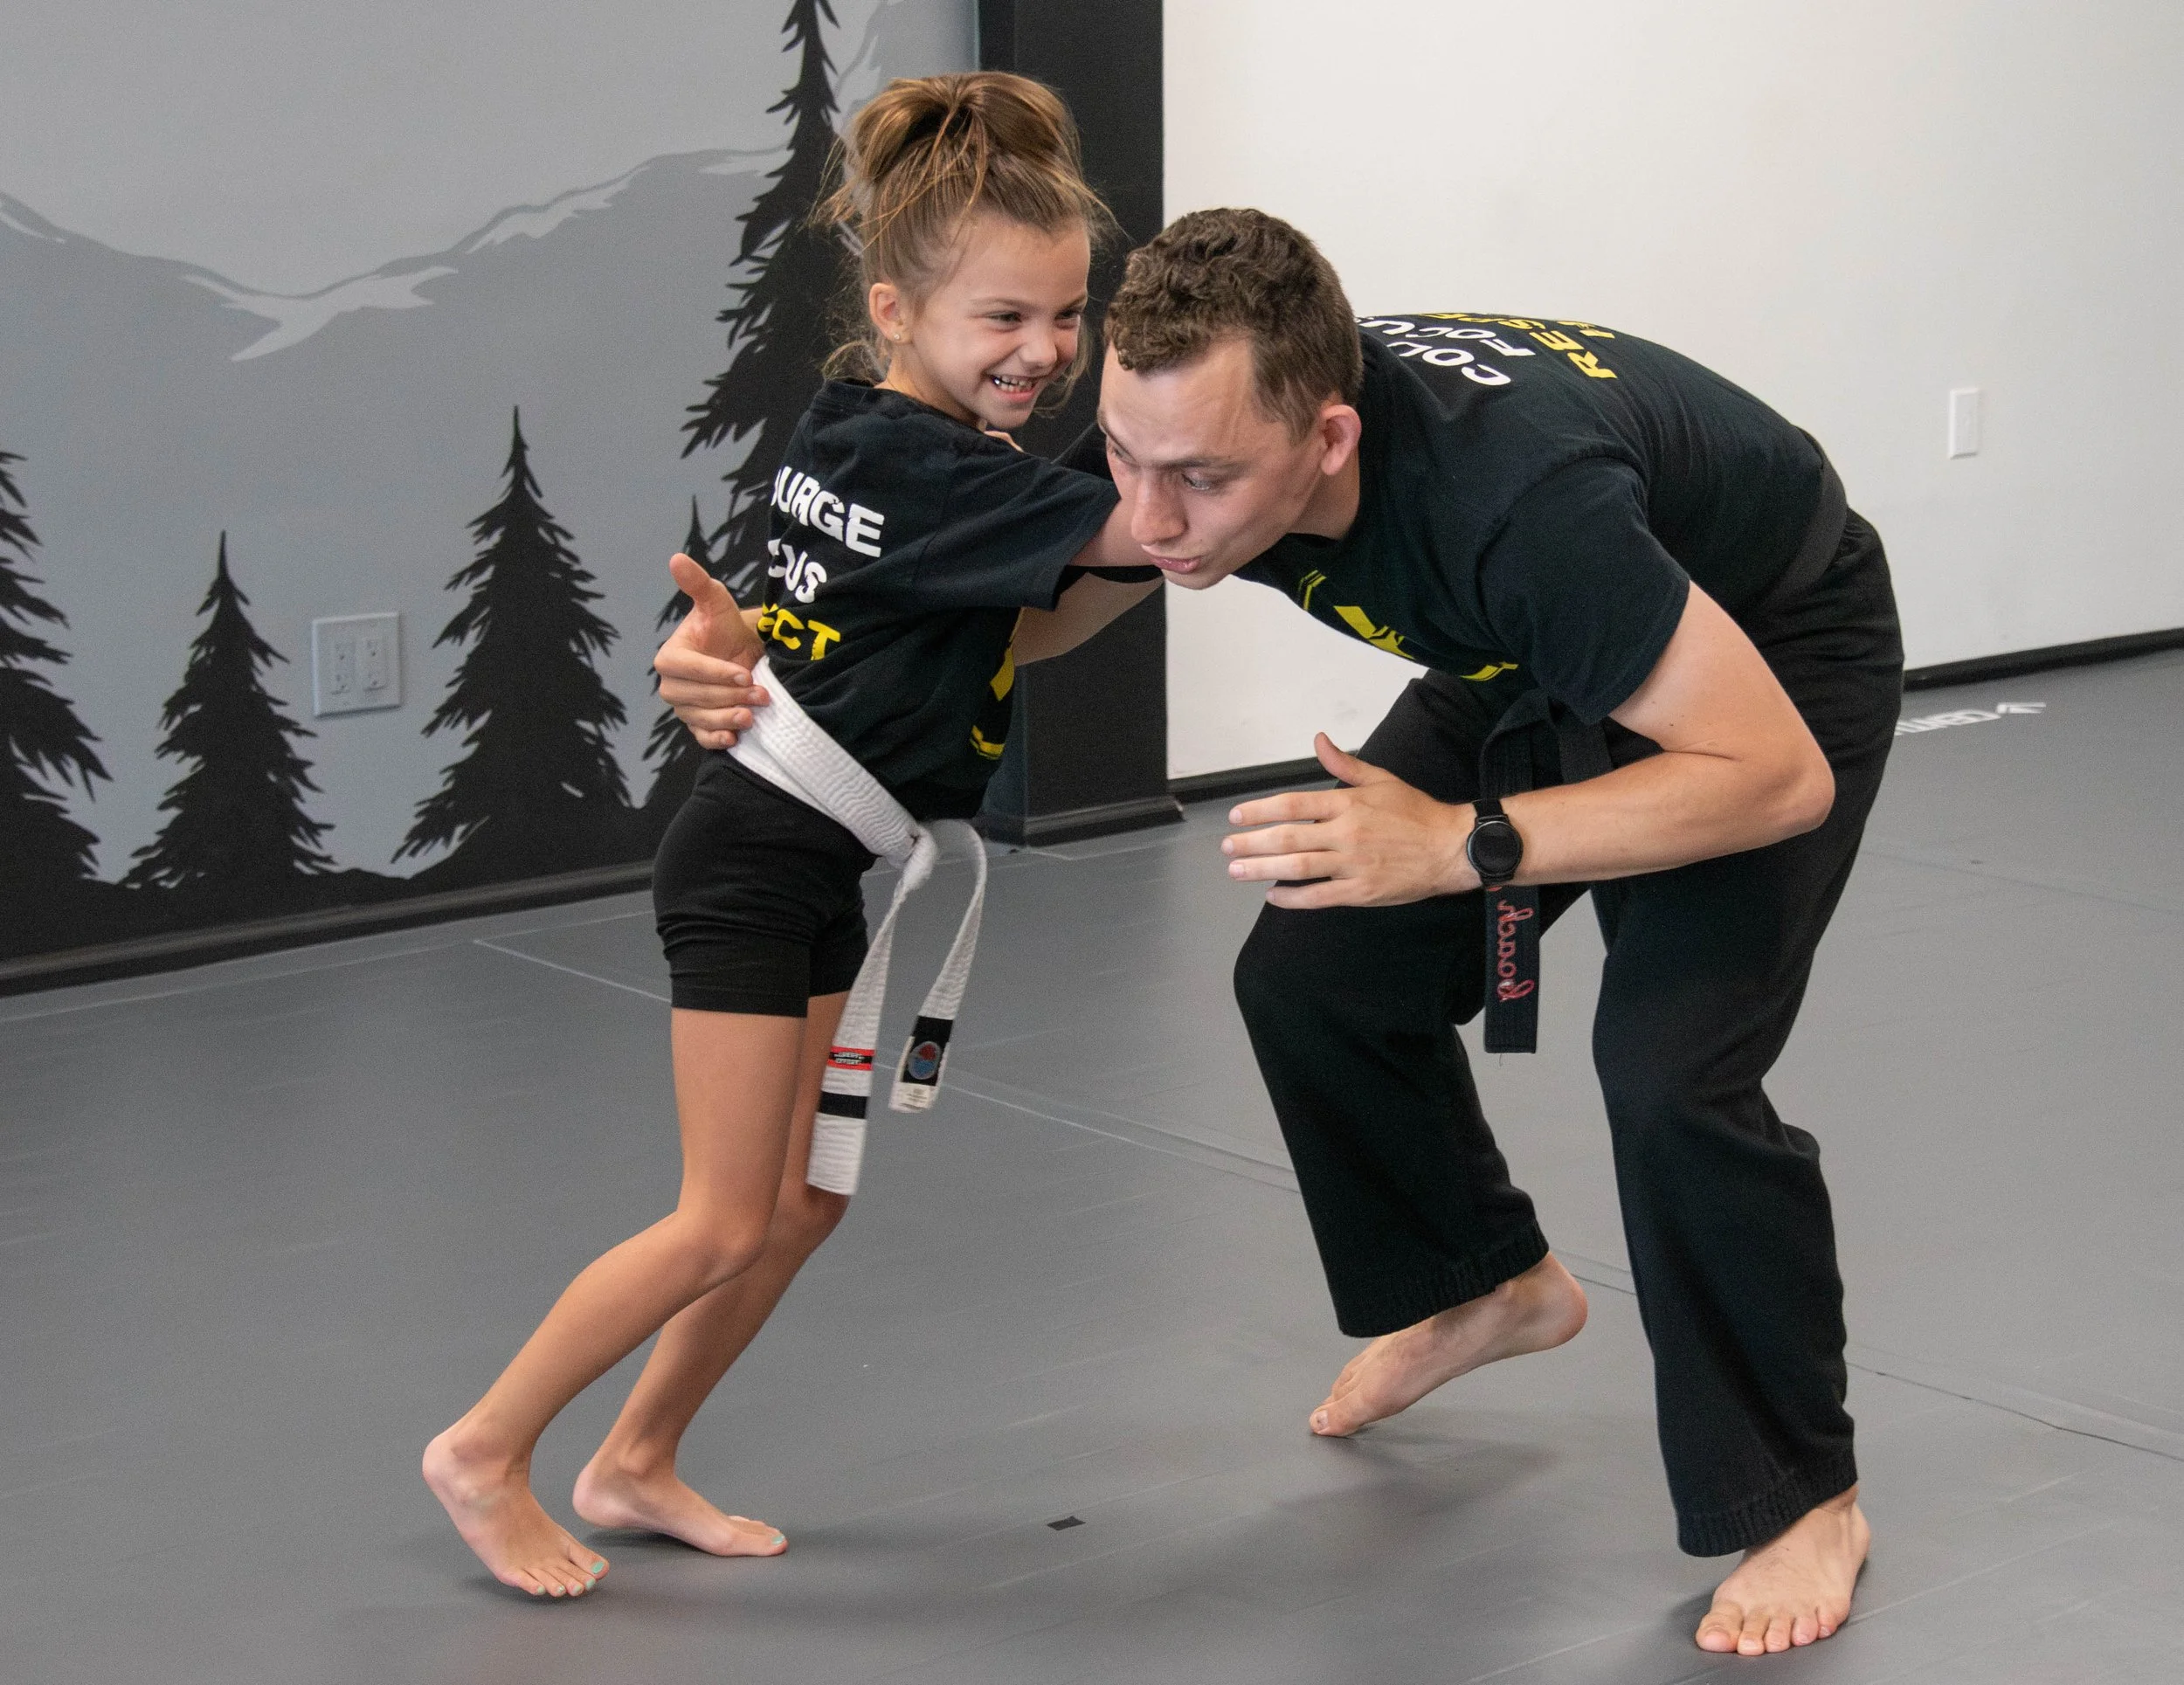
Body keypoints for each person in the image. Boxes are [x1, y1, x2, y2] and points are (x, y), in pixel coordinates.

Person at [664, 207, 1899, 1656]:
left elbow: (1774, 778)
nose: (1158, 514)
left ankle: (1804, 1495)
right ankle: (1486, 1281)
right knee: (1316, 968)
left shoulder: (1512, 506)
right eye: (1127, 460)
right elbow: (1045, 602)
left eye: (1199, 480)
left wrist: (1459, 844)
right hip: (1522, 653)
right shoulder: (1182, 430)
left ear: (1327, 438)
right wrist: (772, 650)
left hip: (1759, 662)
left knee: (1671, 1073)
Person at [423, 71, 1158, 1599]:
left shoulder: (865, 440)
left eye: (1069, 319)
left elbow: (1043, 622)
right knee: (715, 1220)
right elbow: (1112, 541)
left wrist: (1144, 534)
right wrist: (1211, 452)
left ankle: (634, 1463)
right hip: (762, 857)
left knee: (802, 1203)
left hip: (820, 851)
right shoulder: (930, 466)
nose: (1044, 352)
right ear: (896, 311)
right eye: (1003, 320)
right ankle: (485, 1451)